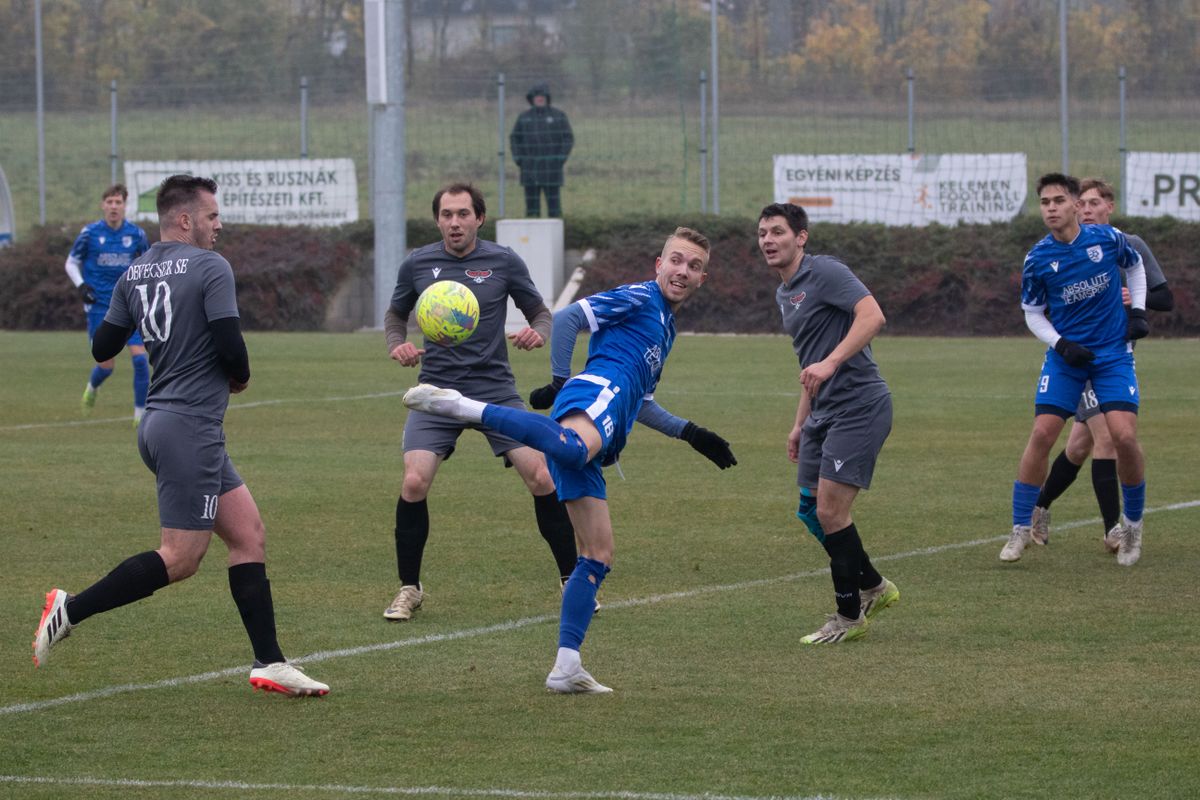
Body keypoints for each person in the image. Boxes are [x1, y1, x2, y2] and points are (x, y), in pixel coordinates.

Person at [402, 226, 737, 693]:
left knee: (597, 554)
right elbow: (568, 319)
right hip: (594, 396)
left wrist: (692, 434)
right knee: (571, 447)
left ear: (703, 278)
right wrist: (560, 381)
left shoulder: (665, 323)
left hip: (611, 415)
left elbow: (641, 402)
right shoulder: (640, 297)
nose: (683, 271)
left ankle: (566, 665)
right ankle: (462, 406)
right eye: (676, 260)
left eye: (694, 266)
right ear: (658, 265)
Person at [33, 175, 328, 697]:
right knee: (181, 557)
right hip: (189, 427)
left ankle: (270, 662)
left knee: (248, 536)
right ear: (186, 219)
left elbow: (103, 343)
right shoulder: (211, 266)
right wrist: (239, 376)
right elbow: (230, 345)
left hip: (162, 424)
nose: (220, 225)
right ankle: (69, 608)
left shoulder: (136, 270)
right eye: (213, 216)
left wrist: (130, 306)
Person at [383, 183, 580, 622]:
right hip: (436, 391)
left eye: (463, 214)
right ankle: (409, 589)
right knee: (414, 481)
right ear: (437, 220)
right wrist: (398, 344)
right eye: (447, 215)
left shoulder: (503, 261)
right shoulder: (418, 263)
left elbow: (541, 314)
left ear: (479, 219)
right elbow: (396, 315)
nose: (455, 222)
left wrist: (538, 333)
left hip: (494, 389)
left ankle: (573, 579)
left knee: (541, 475)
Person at [756, 203, 899, 645]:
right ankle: (875, 585)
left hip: (859, 406)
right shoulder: (786, 292)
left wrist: (834, 362)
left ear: (801, 237)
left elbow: (873, 316)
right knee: (809, 510)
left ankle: (848, 615)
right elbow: (810, 364)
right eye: (762, 233)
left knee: (831, 512)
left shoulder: (826, 272)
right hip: (822, 413)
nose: (767, 240)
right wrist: (799, 424)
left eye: (778, 231)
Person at [1001, 173, 1150, 567]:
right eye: (1044, 202)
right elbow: (1032, 314)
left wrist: (1137, 312)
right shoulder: (1038, 259)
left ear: (1075, 205)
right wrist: (1061, 344)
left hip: (1112, 354)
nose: (1050, 208)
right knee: (1043, 433)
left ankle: (1132, 525)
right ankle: (1020, 529)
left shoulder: (1107, 239)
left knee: (1124, 437)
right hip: (1067, 359)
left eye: (1057, 201)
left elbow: (1135, 268)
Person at [1030, 177, 1173, 551]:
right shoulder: (1057, 252)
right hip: (1080, 357)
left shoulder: (1128, 244)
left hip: (1118, 356)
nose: (1088, 210)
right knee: (1107, 438)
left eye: (1095, 204)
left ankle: (1040, 505)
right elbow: (1041, 305)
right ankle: (1114, 530)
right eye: (1085, 203)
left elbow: (1166, 297)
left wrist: (1135, 307)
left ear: (1109, 207)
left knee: (1079, 445)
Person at [64, 183, 151, 421]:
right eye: (110, 202)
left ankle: (139, 417)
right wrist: (82, 286)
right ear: (103, 205)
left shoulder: (136, 235)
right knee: (106, 366)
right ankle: (92, 387)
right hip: (99, 307)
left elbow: (148, 265)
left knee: (141, 359)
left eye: (118, 202)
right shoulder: (89, 233)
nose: (114, 206)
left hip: (128, 305)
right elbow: (71, 263)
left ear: (125, 206)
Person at [509, 84, 573, 218]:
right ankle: (532, 234)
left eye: (542, 96)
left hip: (552, 168)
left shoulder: (558, 116)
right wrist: (518, 158)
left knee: (554, 206)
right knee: (532, 206)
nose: (539, 99)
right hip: (529, 168)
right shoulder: (524, 117)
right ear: (531, 99)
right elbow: (515, 139)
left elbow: (568, 138)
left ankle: (556, 234)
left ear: (547, 98)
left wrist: (561, 158)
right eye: (536, 96)